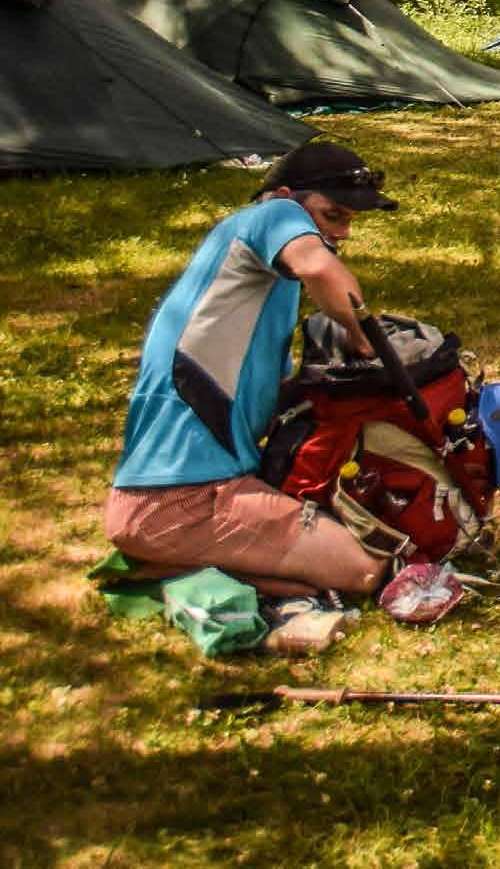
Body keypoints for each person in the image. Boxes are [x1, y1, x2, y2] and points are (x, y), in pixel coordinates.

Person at [105, 140, 403, 605]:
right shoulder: (272, 216)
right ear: (285, 196)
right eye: (332, 215)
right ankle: (171, 568)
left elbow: (273, 398)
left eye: (349, 221)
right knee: (367, 568)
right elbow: (320, 268)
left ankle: (186, 563)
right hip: (186, 499)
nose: (341, 233)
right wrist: (364, 334)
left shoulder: (257, 282)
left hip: (186, 492)